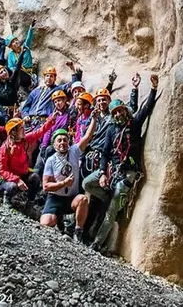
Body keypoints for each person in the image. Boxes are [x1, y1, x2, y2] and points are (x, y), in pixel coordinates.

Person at [83, 73, 159, 248]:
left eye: (120, 110)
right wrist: (102, 173)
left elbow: (146, 109)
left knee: (111, 211)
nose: (118, 114)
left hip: (127, 173)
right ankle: (107, 196)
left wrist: (153, 88)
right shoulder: (111, 130)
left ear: (125, 111)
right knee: (87, 184)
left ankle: (97, 242)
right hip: (111, 170)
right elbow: (105, 152)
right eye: (115, 112)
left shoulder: (134, 125)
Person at [0, 116, 60, 206]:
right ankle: (7, 197)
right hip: (9, 180)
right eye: (21, 128)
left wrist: (50, 122)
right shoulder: (5, 149)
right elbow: (2, 170)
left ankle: (30, 201)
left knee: (35, 178)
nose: (24, 130)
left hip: (23, 175)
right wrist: (17, 180)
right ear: (13, 132)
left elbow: (39, 132)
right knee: (12, 186)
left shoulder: (25, 140)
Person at [40, 129, 89, 239]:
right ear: (55, 144)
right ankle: (59, 220)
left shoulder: (74, 151)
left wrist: (94, 119)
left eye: (65, 140)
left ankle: (78, 232)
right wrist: (63, 183)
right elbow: (46, 186)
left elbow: (87, 137)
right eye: (59, 140)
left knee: (83, 199)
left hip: (71, 198)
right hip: (55, 197)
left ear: (69, 142)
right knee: (45, 224)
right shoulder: (51, 160)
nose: (62, 143)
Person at [4, 26, 37, 92]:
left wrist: (31, 28)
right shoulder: (11, 55)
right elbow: (10, 67)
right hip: (19, 76)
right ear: (11, 46)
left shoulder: (25, 48)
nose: (16, 42)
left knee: (18, 72)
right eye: (13, 42)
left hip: (28, 74)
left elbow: (28, 39)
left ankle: (31, 83)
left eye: (16, 40)